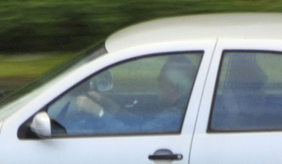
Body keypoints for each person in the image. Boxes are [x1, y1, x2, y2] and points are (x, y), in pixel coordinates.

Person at [62, 54, 198, 134]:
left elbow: (136, 132)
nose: (157, 81)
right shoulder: (178, 108)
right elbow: (142, 123)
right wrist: (109, 104)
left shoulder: (174, 115)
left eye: (161, 79)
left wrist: (99, 112)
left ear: (172, 88)